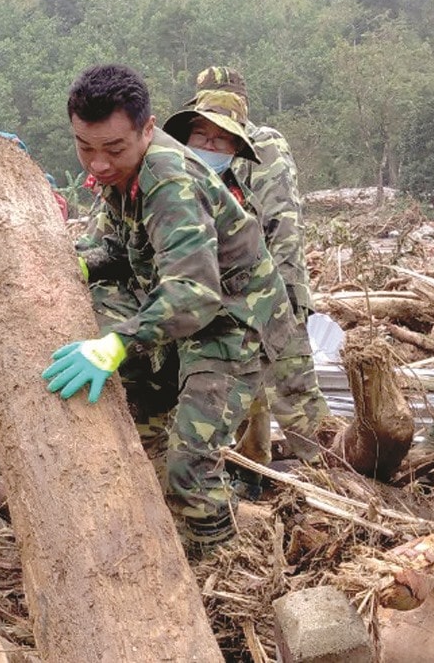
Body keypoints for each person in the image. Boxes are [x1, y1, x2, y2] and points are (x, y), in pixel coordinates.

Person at [43, 64, 293, 557]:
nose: (97, 164)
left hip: (234, 322)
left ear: (148, 128)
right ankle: (168, 542)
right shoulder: (121, 174)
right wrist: (82, 266)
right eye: (84, 147)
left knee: (191, 464)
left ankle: (225, 566)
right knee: (148, 440)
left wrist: (118, 343)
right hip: (185, 314)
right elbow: (126, 248)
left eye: (113, 149)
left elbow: (195, 294)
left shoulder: (169, 182)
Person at [176, 68, 329, 489]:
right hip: (230, 295)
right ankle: (252, 470)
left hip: (272, 287)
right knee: (246, 386)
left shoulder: (265, 144)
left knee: (293, 392)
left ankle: (334, 477)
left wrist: (283, 293)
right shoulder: (192, 148)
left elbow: (282, 222)